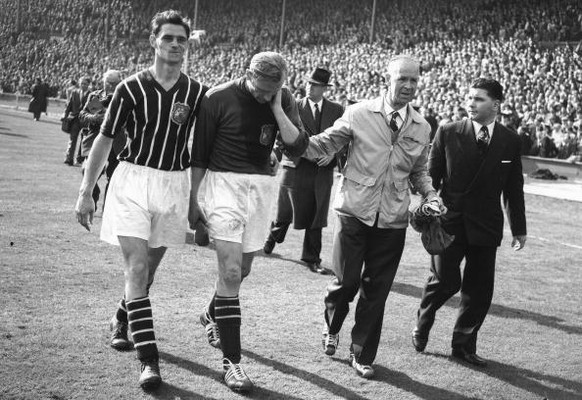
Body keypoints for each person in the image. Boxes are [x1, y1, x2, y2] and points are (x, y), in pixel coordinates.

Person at [75, 10, 207, 390]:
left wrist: (199, 199)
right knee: (136, 268)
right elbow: (104, 139)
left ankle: (121, 317)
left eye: (181, 40)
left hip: (172, 185)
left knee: (147, 271)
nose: (175, 45)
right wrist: (86, 191)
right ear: (154, 42)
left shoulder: (196, 92)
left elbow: (202, 147)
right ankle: (149, 361)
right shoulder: (129, 88)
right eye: (168, 38)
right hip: (133, 181)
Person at [302, 55, 445, 379]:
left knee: (376, 291)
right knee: (347, 282)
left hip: (393, 219)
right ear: (388, 79)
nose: (408, 86)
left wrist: (430, 194)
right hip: (354, 212)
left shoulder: (422, 126)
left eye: (414, 80)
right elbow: (324, 143)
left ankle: (362, 353)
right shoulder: (358, 113)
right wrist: (296, 144)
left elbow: (419, 171)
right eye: (402, 79)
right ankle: (332, 325)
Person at [189, 51, 308, 393]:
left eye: (273, 88)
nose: (264, 94)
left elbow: (297, 147)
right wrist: (193, 201)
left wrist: (277, 108)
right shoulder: (217, 97)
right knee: (229, 273)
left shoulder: (283, 98)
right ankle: (233, 365)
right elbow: (199, 154)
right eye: (261, 87)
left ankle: (211, 314)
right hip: (222, 185)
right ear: (247, 74)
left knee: (242, 272)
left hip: (260, 189)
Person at [412, 78, 527, 367]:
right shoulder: (448, 132)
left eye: (478, 99)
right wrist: (428, 210)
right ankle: (423, 321)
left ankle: (463, 345)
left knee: (478, 292)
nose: (470, 103)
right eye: (469, 97)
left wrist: (519, 228)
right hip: (450, 224)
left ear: (496, 105)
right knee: (444, 281)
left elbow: (513, 188)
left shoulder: (510, 140)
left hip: (487, 226)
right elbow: (430, 180)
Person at [263, 67, 344, 274]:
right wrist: (285, 154)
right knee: (285, 213)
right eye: (309, 83)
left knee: (317, 215)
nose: (310, 87)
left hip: (321, 171)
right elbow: (281, 136)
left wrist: (332, 154)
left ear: (325, 88)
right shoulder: (293, 106)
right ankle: (272, 238)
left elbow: (344, 138)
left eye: (315, 85)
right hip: (296, 167)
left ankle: (312, 258)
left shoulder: (336, 110)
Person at [78, 70, 123, 210]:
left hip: (117, 142)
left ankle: (108, 208)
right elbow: (82, 115)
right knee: (87, 170)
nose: (111, 86)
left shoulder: (125, 97)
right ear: (103, 82)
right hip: (95, 141)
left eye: (114, 83)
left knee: (114, 177)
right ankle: (92, 195)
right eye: (108, 83)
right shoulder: (95, 96)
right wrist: (95, 118)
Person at [63, 76, 91, 166]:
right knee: (72, 139)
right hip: (75, 119)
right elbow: (69, 105)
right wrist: (65, 115)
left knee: (84, 141)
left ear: (88, 85)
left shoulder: (92, 94)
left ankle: (80, 159)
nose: (83, 85)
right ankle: (69, 159)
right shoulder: (75, 92)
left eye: (85, 84)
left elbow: (95, 109)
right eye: (81, 83)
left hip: (86, 121)